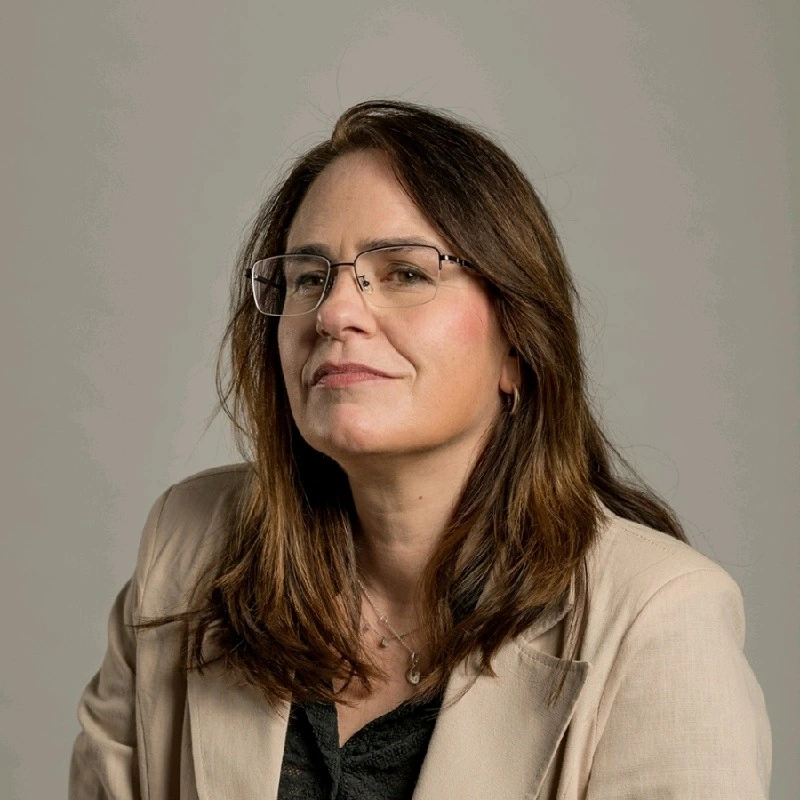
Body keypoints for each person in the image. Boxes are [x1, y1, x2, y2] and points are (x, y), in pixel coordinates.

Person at [69, 99, 771, 799]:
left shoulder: (660, 619)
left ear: (518, 346)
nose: (334, 313)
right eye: (309, 278)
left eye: (405, 272)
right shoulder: (185, 547)